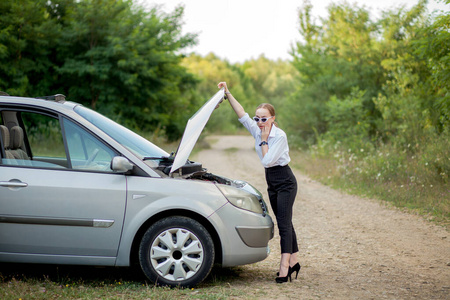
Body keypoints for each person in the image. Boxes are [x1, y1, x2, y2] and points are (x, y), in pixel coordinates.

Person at [217, 82, 300, 283]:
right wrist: (227, 93)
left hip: (285, 181)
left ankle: (284, 267)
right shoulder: (256, 128)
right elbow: (241, 113)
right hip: (272, 182)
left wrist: (263, 140)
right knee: (285, 221)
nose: (260, 122)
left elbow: (267, 161)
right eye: (257, 118)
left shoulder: (279, 136)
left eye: (264, 119)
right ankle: (295, 261)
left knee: (283, 224)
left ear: (272, 119)